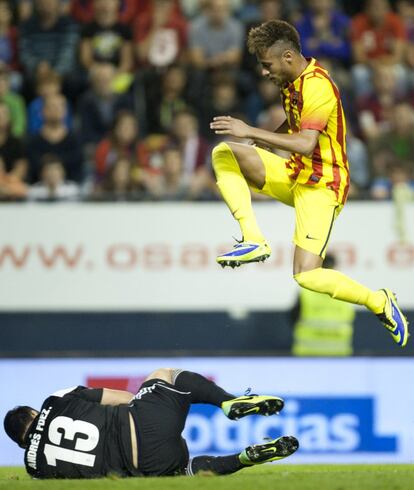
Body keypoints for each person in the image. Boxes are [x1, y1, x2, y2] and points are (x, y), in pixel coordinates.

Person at [209, 20, 409, 347]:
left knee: (306, 274)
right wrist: (265, 142)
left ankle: (379, 301)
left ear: (288, 56)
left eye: (266, 65)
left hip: (323, 185)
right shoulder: (293, 81)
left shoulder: (317, 86)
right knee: (225, 153)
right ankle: (253, 239)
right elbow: (295, 123)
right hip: (294, 172)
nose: (263, 72)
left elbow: (305, 142)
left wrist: (252, 132)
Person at [4, 367, 298, 478]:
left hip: (145, 467)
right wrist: (150, 404)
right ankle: (227, 401)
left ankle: (246, 458)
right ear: (32, 414)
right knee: (165, 375)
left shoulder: (35, 469)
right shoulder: (54, 401)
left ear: (20, 442)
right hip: (142, 422)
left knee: (183, 472)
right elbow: (122, 398)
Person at [290, 254, 355, 356]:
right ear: (335, 268)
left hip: (308, 354)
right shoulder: (346, 292)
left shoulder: (306, 292)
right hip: (338, 354)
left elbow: (293, 318)